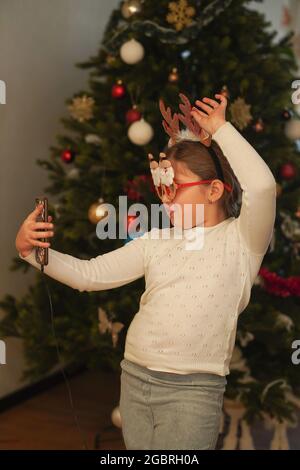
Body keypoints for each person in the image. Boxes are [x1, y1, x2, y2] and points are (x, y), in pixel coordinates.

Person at [15, 94, 277, 450]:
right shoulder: (155, 239)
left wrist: (220, 129)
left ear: (214, 189)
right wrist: (32, 253)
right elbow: (89, 275)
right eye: (161, 190)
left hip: (194, 390)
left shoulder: (242, 240)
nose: (165, 200)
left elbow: (261, 188)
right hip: (135, 376)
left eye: (175, 189)